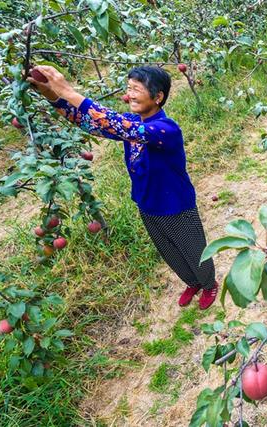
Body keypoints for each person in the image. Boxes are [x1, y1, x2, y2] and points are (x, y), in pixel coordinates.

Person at [27, 65, 218, 310]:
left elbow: (115, 124)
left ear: (158, 96)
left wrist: (68, 91)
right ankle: (192, 281)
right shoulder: (132, 121)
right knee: (169, 250)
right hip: (147, 202)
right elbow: (92, 123)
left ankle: (208, 283)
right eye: (129, 89)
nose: (131, 95)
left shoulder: (166, 129)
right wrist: (51, 95)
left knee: (193, 248)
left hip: (175, 204)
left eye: (137, 89)